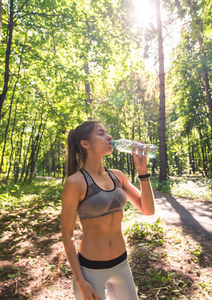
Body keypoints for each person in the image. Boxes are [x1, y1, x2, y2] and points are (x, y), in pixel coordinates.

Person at [61, 120, 155, 300]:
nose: (109, 137)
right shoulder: (75, 182)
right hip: (90, 269)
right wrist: (80, 281)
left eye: (107, 133)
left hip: (121, 264)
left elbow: (148, 210)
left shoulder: (117, 176)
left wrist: (142, 171)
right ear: (85, 143)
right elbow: (67, 234)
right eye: (101, 133)